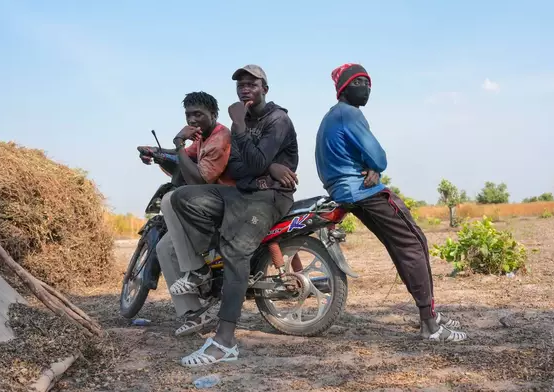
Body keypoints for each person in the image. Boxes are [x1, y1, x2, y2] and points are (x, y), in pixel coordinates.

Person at [314, 63, 467, 342]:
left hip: (344, 191)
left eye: (369, 83)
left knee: (403, 245)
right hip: (362, 191)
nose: (367, 88)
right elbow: (379, 156)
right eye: (359, 83)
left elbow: (360, 160)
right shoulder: (350, 114)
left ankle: (430, 313)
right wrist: (375, 166)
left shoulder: (331, 117)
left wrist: (372, 166)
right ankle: (430, 324)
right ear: (344, 89)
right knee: (413, 244)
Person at [166, 64, 299, 367]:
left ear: (265, 87)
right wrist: (268, 166)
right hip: (245, 192)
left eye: (251, 84)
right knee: (182, 198)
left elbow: (252, 163)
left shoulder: (277, 120)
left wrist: (240, 129)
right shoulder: (243, 121)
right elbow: (239, 168)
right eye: (240, 84)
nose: (244, 88)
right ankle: (203, 267)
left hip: (270, 197)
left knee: (236, 251)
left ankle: (225, 342)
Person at [140, 91, 235, 333]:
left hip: (221, 206)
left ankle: (198, 270)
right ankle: (193, 313)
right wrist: (155, 152)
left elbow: (200, 178)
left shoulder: (220, 138)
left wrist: (179, 143)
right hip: (203, 206)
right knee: (163, 248)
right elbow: (183, 157)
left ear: (214, 114)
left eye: (198, 115)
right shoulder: (202, 137)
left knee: (171, 199)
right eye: (188, 115)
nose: (192, 120)